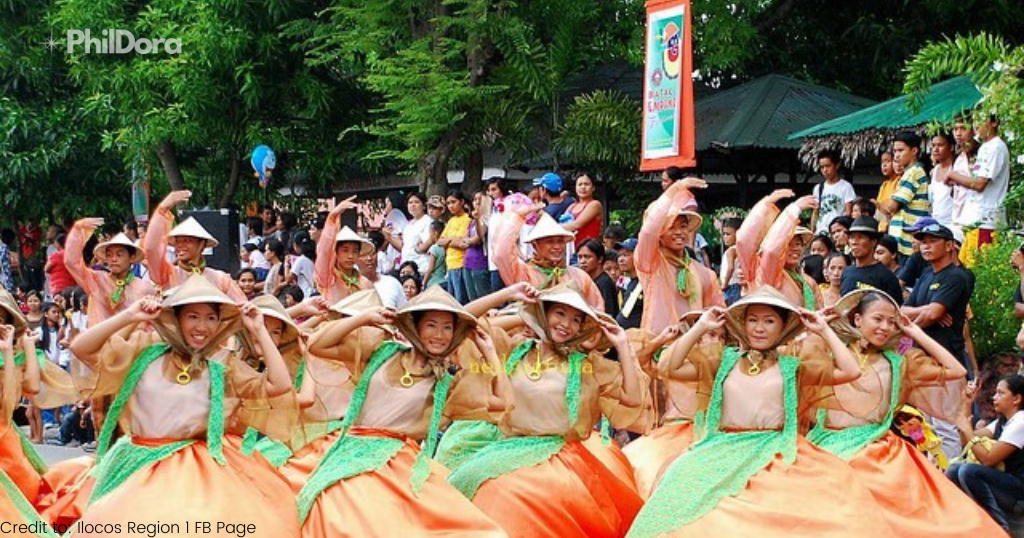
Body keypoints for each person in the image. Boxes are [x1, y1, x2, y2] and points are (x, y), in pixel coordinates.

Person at [629, 287, 892, 537]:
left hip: (775, 450)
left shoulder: (793, 366)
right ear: (742, 325)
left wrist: (823, 329)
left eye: (769, 321)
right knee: (678, 499)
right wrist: (701, 327)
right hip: (721, 447)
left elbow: (851, 371)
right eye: (752, 320)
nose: (759, 328)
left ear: (783, 327)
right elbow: (669, 367)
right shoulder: (722, 360)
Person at [65, 276, 299, 536]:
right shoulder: (146, 348)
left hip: (191, 469)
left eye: (211, 317)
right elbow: (81, 348)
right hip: (137, 462)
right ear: (176, 319)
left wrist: (259, 330)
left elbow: (280, 385)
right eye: (193, 316)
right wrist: (130, 315)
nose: (203, 326)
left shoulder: (223, 362)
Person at [301, 286, 511, 538]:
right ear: (416, 327)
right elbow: (317, 344)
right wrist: (365, 318)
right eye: (431, 325)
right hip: (349, 453)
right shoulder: (382, 351)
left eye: (447, 327)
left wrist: (490, 354)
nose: (440, 335)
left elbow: (504, 402)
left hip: (399, 463)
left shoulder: (448, 379)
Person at [445, 284, 647, 538]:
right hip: (507, 450)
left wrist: (622, 345)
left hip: (559, 461)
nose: (566, 324)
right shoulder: (513, 350)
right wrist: (508, 294)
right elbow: (460, 321)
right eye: (559, 314)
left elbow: (632, 398)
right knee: (468, 491)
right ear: (543, 314)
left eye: (576, 319)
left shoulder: (585, 365)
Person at [807, 289, 1005, 537]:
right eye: (877, 319)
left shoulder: (900, 363)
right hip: (828, 444)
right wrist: (819, 329)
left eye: (892, 322)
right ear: (857, 319)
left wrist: (915, 332)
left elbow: (955, 369)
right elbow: (796, 363)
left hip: (877, 448)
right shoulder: (831, 354)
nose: (885, 327)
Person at [636, 177, 723, 333]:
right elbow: (648, 231)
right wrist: (675, 188)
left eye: (683, 226)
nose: (679, 233)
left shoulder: (705, 274)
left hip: (695, 351)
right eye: (671, 227)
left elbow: (717, 316)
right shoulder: (650, 263)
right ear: (660, 233)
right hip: (659, 348)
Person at [949, 375, 1024, 533]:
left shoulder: (1021, 422)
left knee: (970, 472)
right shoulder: (1002, 421)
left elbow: (988, 460)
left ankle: (999, 528)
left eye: (1000, 393)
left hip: (1019, 493)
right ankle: (966, 520)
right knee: (954, 469)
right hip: (1005, 485)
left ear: (1016, 399)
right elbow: (967, 440)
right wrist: (967, 403)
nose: (994, 397)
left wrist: (968, 431)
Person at [144, 191, 247, 302]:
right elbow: (151, 250)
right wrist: (162, 209)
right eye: (178, 241)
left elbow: (241, 308)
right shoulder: (167, 274)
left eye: (187, 241)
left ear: (202, 244)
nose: (180, 246)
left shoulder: (220, 279)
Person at [493, 206, 603, 308]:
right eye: (549, 242)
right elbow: (501, 254)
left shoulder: (579, 276)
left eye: (560, 241)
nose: (557, 247)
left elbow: (597, 308)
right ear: (535, 245)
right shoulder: (524, 274)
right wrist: (518, 216)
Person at [737, 190, 823, 309]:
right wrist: (768, 205)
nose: (795, 249)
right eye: (788, 244)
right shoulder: (767, 273)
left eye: (798, 244)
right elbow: (746, 242)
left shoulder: (808, 282)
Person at [65, 221, 156, 326]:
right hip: (100, 340)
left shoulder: (144, 287)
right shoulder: (97, 280)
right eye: (109, 255)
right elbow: (71, 262)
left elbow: (149, 324)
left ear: (132, 257)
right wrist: (77, 231)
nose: (113, 259)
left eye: (119, 255)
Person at [949, 114, 1011, 264]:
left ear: (994, 122)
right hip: (974, 221)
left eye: (981, 120)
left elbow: (979, 184)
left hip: (986, 222)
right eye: (975, 121)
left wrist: (953, 175)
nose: (976, 125)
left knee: (978, 271)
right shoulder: (985, 147)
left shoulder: (996, 147)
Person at [315, 196, 376, 304]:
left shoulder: (365, 283)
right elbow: (324, 253)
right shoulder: (329, 278)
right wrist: (332, 217)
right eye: (345, 250)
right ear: (336, 252)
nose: (350, 256)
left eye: (355, 251)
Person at [880, 132, 931, 256]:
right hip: (903, 242)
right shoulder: (909, 173)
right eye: (895, 151)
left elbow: (891, 206)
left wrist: (878, 203)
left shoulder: (913, 173)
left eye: (900, 150)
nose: (896, 155)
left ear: (914, 151)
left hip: (907, 242)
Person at [840, 216, 904, 302]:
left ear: (873, 242)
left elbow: (895, 310)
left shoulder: (886, 277)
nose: (854, 242)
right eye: (851, 237)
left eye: (860, 237)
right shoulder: (847, 272)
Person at [385, 192, 433, 279]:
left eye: (416, 202)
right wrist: (389, 237)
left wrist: (419, 248)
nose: (413, 205)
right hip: (406, 268)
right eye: (410, 203)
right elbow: (403, 247)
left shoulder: (427, 221)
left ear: (424, 206)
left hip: (421, 268)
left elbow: (429, 243)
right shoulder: (408, 225)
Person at [437, 190, 473, 304]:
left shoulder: (467, 219)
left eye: (453, 202)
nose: (451, 206)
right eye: (448, 203)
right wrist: (452, 240)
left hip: (461, 264)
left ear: (461, 202)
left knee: (461, 301)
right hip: (451, 265)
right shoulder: (451, 221)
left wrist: (448, 241)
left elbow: (462, 243)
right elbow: (439, 241)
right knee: (452, 301)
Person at [810, 150, 856, 235]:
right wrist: (812, 231)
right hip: (820, 232)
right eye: (822, 167)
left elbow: (848, 212)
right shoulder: (818, 188)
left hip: (836, 233)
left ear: (837, 165)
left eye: (828, 166)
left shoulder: (846, 187)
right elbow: (815, 212)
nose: (825, 170)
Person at [577, 239, 619, 318]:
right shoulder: (589, 281)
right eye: (580, 257)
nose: (582, 261)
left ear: (600, 259)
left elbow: (608, 315)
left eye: (587, 257)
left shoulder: (604, 283)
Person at [357, 243, 407, 309]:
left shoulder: (392, 282)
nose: (369, 258)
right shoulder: (352, 285)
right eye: (364, 255)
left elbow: (404, 311)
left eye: (373, 254)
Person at [563, 172, 604, 250]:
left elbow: (576, 225)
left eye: (586, 184)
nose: (583, 187)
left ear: (593, 188)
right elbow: (562, 223)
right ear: (575, 187)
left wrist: (553, 227)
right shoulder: (571, 206)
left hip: (589, 250)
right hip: (571, 250)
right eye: (580, 184)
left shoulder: (595, 204)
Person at [928, 132, 957, 227]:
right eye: (933, 145)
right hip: (936, 223)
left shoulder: (956, 168)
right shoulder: (934, 171)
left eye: (940, 145)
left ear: (951, 147)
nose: (936, 149)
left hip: (953, 223)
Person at [615, 239, 643, 330]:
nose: (621, 259)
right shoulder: (630, 283)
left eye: (626, 255)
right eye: (619, 255)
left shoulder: (646, 283)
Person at [719, 218, 743, 305]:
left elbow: (730, 267)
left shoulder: (731, 250)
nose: (725, 237)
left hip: (731, 286)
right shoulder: (741, 250)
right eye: (724, 234)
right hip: (738, 286)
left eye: (728, 234)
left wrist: (724, 284)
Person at [45, 234, 77, 299]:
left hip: (58, 286)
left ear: (57, 243)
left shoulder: (57, 255)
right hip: (72, 286)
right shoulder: (74, 255)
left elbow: (46, 269)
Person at [423, 220, 449, 292]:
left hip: (434, 282)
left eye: (430, 233)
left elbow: (431, 269)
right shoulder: (446, 247)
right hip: (445, 281)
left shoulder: (434, 248)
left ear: (435, 233)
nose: (429, 235)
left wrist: (424, 282)